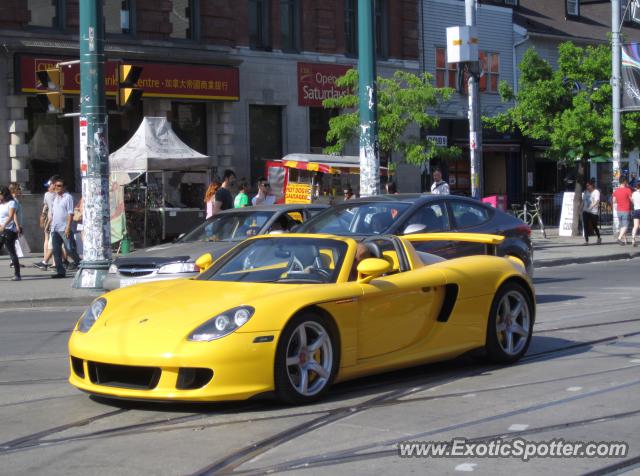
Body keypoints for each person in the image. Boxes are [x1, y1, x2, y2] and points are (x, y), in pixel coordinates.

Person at [49, 178, 81, 278]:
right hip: (55, 228)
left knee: (69, 249)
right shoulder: (54, 197)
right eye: (55, 185)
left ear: (64, 187)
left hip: (64, 228)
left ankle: (79, 263)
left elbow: (70, 213)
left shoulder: (68, 197)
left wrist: (68, 227)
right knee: (56, 251)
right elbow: (53, 213)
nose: (57, 188)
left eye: (59, 186)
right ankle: (60, 271)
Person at [34, 175, 61, 270]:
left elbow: (46, 207)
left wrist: (43, 217)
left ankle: (47, 261)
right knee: (54, 242)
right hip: (52, 219)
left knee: (51, 241)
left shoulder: (48, 195)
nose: (48, 188)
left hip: (52, 220)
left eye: (49, 186)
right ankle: (51, 262)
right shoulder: (58, 195)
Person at [0, 186, 21, 281]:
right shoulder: (1, 204)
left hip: (9, 230)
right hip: (1, 229)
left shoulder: (12, 203)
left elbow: (11, 215)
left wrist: (4, 225)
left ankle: (17, 274)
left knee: (11, 251)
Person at [612, 176, 633, 245]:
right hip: (626, 209)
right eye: (626, 181)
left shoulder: (616, 190)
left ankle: (625, 240)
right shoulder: (628, 190)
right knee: (626, 225)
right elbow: (631, 199)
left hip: (619, 210)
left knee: (622, 225)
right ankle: (619, 238)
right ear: (624, 182)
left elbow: (614, 201)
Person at [581, 179, 601, 245]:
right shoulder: (586, 192)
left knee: (594, 225)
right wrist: (580, 208)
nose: (587, 187)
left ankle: (598, 237)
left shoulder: (596, 192)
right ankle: (586, 241)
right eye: (586, 186)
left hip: (593, 211)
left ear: (592, 186)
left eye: (588, 185)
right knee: (585, 225)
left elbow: (597, 201)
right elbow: (583, 201)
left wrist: (591, 207)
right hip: (585, 210)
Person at [632, 182, 640, 247]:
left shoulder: (634, 193)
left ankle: (633, 240)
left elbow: (632, 201)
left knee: (635, 226)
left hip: (636, 210)